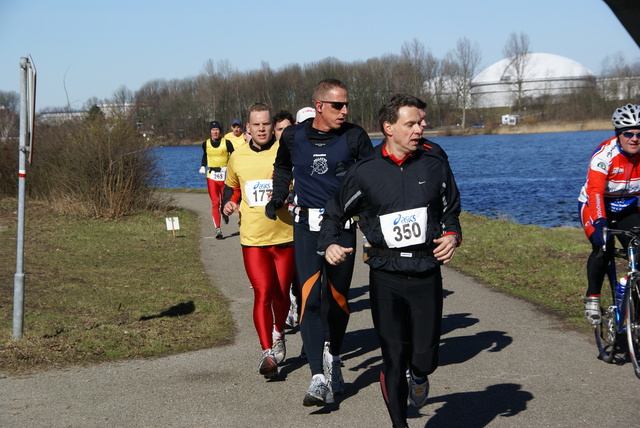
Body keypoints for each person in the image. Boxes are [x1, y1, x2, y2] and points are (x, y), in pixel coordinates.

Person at [317, 94, 461, 428]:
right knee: (393, 359)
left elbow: (451, 208)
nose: (420, 129)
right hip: (386, 276)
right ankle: (400, 424)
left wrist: (452, 235)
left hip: (426, 272)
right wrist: (329, 245)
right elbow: (334, 213)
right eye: (411, 123)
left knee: (425, 359)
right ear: (389, 128)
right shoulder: (365, 172)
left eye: (421, 122)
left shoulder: (435, 161)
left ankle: (421, 375)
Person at [265, 78, 374, 406]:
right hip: (306, 229)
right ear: (320, 107)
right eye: (338, 105)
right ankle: (317, 377)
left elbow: (373, 179)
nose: (345, 111)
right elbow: (282, 168)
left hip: (341, 229)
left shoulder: (354, 136)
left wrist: (372, 228)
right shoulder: (294, 136)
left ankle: (334, 358)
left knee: (338, 302)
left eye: (346, 105)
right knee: (310, 301)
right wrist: (280, 195)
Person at [223, 103, 295, 379]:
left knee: (281, 293)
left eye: (266, 123)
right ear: (248, 128)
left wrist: (288, 195)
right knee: (262, 292)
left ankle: (279, 331)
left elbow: (298, 184)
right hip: (252, 239)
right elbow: (232, 189)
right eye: (257, 124)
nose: (262, 128)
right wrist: (228, 204)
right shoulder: (237, 157)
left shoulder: (285, 152)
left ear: (271, 125)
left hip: (284, 236)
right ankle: (267, 352)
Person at [578, 103, 640, 325]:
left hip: (627, 208)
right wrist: (600, 222)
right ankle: (593, 296)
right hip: (597, 205)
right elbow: (595, 191)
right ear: (618, 135)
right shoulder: (604, 154)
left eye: (639, 133)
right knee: (603, 247)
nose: (634, 138)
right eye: (628, 133)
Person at [200, 121, 234, 238]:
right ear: (210, 131)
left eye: (217, 130)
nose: (215, 132)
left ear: (220, 131)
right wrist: (203, 166)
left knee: (225, 201)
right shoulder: (206, 144)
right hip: (212, 177)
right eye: (213, 130)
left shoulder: (227, 143)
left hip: (225, 177)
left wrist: (229, 167)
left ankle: (224, 213)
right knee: (215, 202)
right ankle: (218, 229)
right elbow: (205, 155)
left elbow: (234, 157)